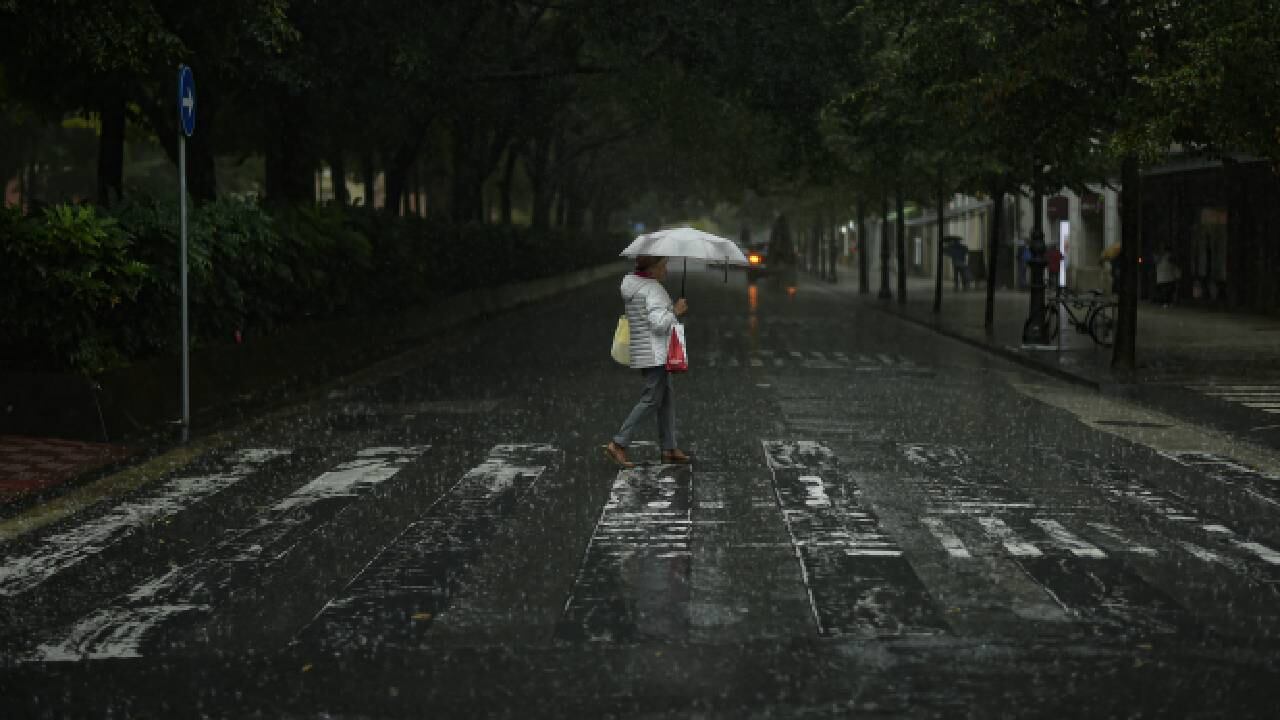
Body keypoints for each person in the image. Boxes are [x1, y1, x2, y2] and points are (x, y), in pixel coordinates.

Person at [604, 255, 691, 468]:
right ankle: (619, 443)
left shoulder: (633, 285)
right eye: (662, 266)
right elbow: (658, 325)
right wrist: (675, 311)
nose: (666, 271)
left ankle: (669, 447)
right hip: (656, 352)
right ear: (651, 270)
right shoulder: (653, 289)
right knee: (652, 399)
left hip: (643, 349)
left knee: (666, 398)